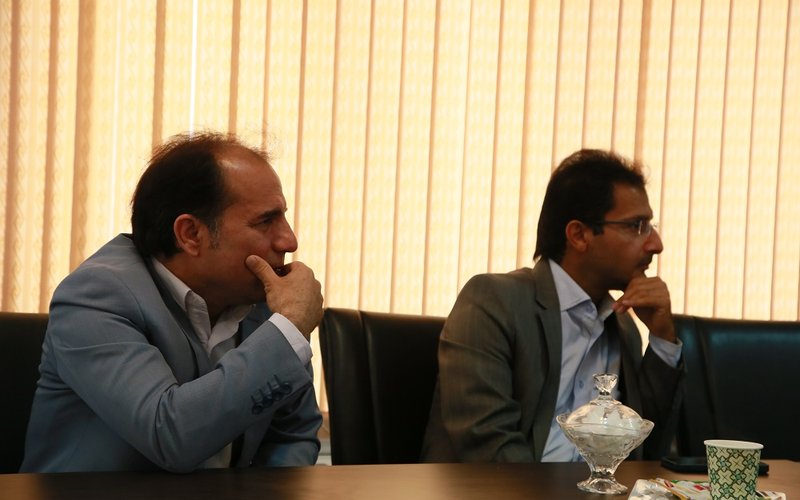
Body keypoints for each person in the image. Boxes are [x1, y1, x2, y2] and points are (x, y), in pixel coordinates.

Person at [21, 132, 324, 473]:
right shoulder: (94, 296)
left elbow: (292, 435)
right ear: (191, 234)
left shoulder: (263, 298)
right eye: (266, 221)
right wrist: (290, 326)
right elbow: (169, 435)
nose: (289, 240)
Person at [421, 149, 683, 462]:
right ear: (579, 235)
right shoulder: (494, 302)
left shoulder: (623, 324)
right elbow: (488, 445)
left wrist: (663, 337)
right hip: (499, 486)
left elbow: (646, 450)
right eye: (637, 226)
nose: (656, 244)